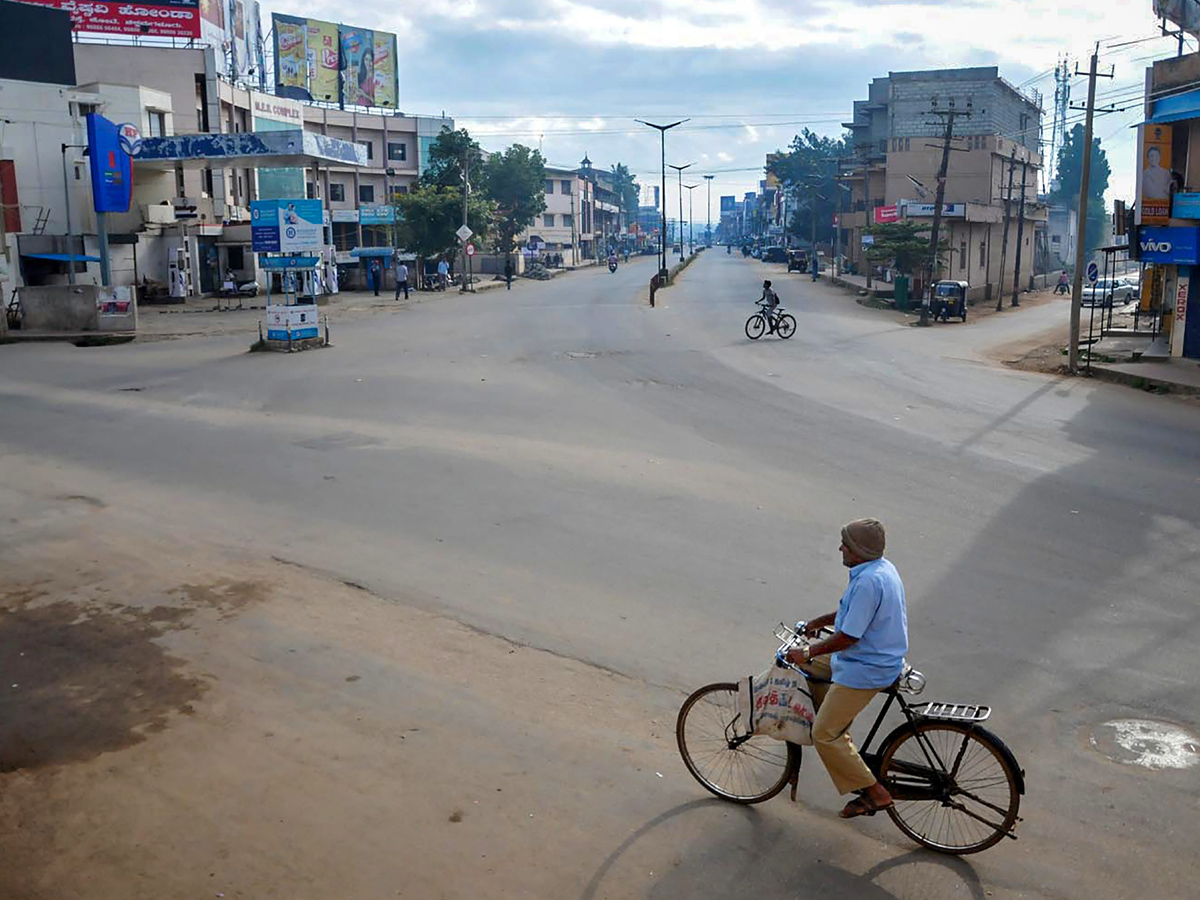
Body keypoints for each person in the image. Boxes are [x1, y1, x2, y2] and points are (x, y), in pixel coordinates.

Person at [784, 519, 908, 820]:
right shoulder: (880, 569)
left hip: (867, 667)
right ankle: (842, 734)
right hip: (868, 657)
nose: (841, 548)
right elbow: (851, 614)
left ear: (859, 551)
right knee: (810, 669)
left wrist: (808, 650)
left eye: (846, 545)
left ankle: (876, 793)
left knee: (824, 733)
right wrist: (816, 624)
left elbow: (849, 636)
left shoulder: (867, 582)